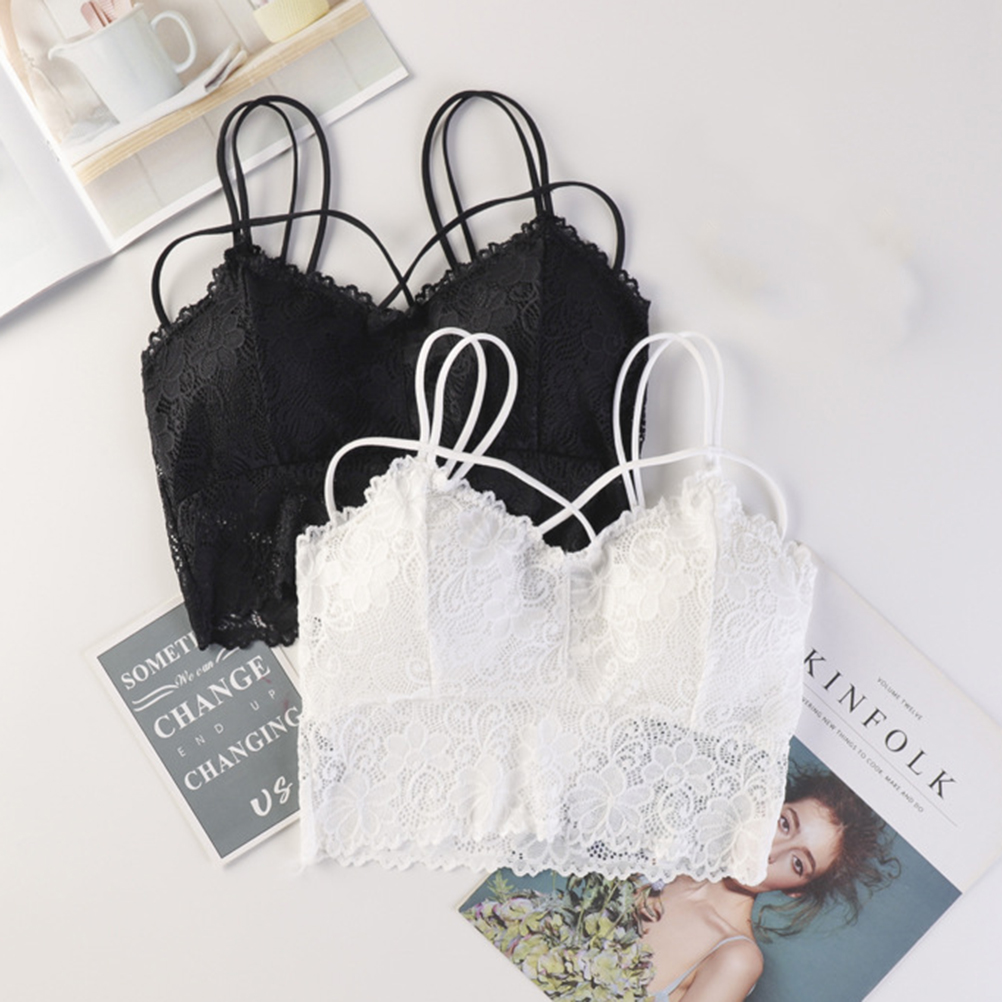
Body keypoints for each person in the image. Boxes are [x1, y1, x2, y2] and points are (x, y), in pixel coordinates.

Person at [637, 766, 899, 1002]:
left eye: (798, 863)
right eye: (784, 824)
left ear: (797, 889)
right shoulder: (660, 858)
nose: (771, 851)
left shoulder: (735, 958)